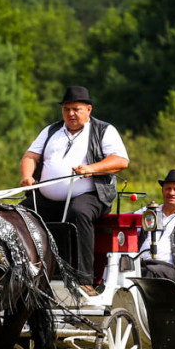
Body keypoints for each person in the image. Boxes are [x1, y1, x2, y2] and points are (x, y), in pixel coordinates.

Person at [19, 86, 129, 293]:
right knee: (20, 215)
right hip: (46, 198)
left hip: (91, 194)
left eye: (76, 109)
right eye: (66, 109)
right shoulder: (51, 130)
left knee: (78, 213)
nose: (70, 114)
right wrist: (27, 176)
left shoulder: (104, 130)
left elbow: (120, 161)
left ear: (88, 109)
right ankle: (25, 273)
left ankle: (83, 280)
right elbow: (30, 157)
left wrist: (92, 168)